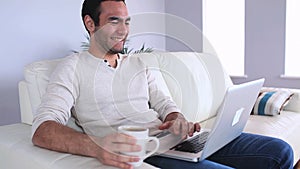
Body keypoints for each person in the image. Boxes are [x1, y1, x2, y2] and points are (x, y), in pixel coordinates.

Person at [32, 0, 294, 169]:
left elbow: (167, 105)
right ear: (90, 23)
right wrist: (97, 146)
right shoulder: (72, 68)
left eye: (127, 21)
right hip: (145, 152)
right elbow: (43, 129)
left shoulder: (140, 64)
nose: (124, 30)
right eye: (114, 20)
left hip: (175, 140)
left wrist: (178, 119)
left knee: (280, 151)